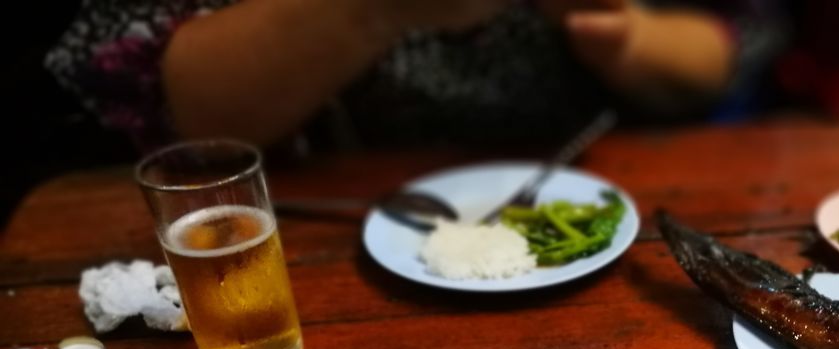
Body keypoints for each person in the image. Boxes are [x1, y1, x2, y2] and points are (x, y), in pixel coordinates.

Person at [45, 0, 783, 151]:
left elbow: (728, 47)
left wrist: (617, 34)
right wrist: (369, 12)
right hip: (302, 237)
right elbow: (162, 102)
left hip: (587, 206)